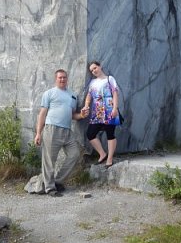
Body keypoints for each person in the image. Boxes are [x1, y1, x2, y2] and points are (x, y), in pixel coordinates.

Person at [34, 69, 89, 197]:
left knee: (74, 154)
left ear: (67, 78)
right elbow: (42, 114)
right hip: (52, 129)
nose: (62, 79)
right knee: (49, 160)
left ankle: (58, 182)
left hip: (67, 131)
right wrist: (38, 133)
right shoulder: (49, 93)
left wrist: (81, 115)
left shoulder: (73, 95)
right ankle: (49, 189)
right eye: (60, 78)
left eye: (64, 77)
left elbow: (73, 115)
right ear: (56, 79)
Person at [83, 61, 120, 168]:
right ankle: (102, 154)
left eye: (95, 68)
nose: (94, 71)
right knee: (90, 133)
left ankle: (109, 158)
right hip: (97, 111)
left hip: (109, 109)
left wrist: (115, 108)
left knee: (110, 133)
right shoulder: (92, 82)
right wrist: (86, 105)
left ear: (100, 66)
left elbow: (115, 93)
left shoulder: (110, 79)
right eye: (91, 70)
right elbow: (89, 95)